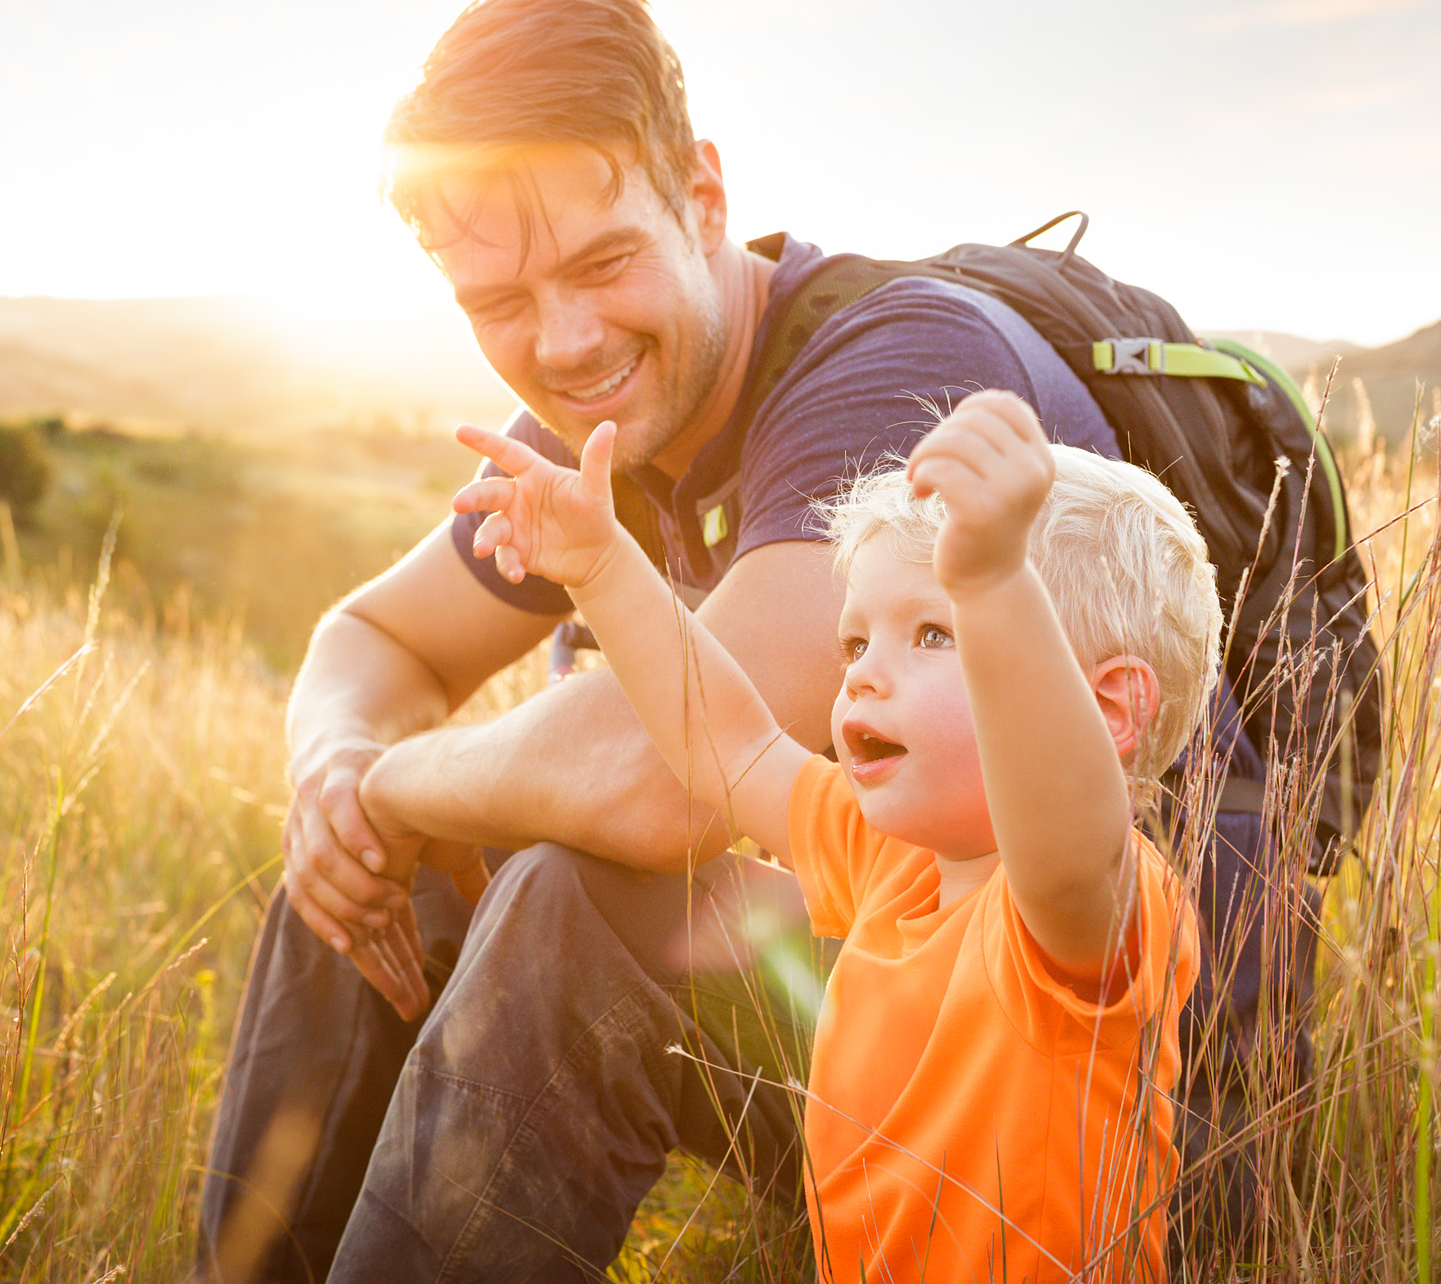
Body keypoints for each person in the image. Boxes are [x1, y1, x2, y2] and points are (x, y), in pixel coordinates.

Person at [197, 0, 1281, 1283]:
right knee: (366, 861)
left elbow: (667, 779)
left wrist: (391, 778)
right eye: (500, 306)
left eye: (605, 264)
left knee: (563, 899)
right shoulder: (606, 420)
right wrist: (335, 778)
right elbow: (371, 641)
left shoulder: (890, 369)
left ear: (704, 196)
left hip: (1117, 1083)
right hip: (898, 984)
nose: (566, 340)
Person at [451, 392, 1203, 1279]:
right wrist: (603, 567)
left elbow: (1068, 826)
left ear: (1107, 709)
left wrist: (996, 584)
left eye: (932, 633)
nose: (864, 677)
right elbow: (730, 741)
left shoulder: (1090, 911)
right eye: (855, 643)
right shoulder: (892, 858)